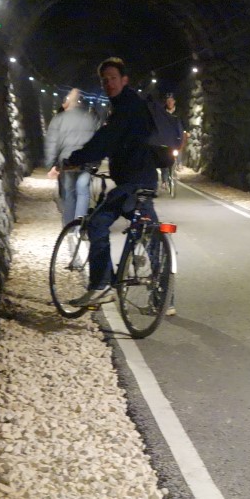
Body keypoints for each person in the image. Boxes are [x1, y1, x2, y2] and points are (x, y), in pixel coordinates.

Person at [63, 57, 174, 313]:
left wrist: (76, 159)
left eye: (113, 78)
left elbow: (106, 138)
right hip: (144, 180)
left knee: (97, 224)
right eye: (104, 80)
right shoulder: (134, 105)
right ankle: (164, 297)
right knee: (151, 234)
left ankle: (102, 285)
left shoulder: (126, 107)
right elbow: (115, 139)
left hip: (132, 182)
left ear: (124, 80)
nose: (108, 83)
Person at [45, 88, 99, 226]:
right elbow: (97, 141)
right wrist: (96, 163)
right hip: (85, 161)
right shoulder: (89, 119)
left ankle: (68, 226)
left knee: (69, 193)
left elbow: (52, 143)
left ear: (66, 103)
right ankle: (79, 227)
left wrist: (51, 165)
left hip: (67, 162)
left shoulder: (59, 119)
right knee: (83, 191)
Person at [159, 94, 186, 189]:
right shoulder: (162, 111)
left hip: (176, 137)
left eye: (171, 100)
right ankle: (164, 180)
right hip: (165, 138)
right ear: (166, 102)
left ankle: (179, 163)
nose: (170, 102)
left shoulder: (179, 112)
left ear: (174, 101)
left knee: (179, 147)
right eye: (168, 100)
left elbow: (183, 123)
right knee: (164, 158)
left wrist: (186, 131)